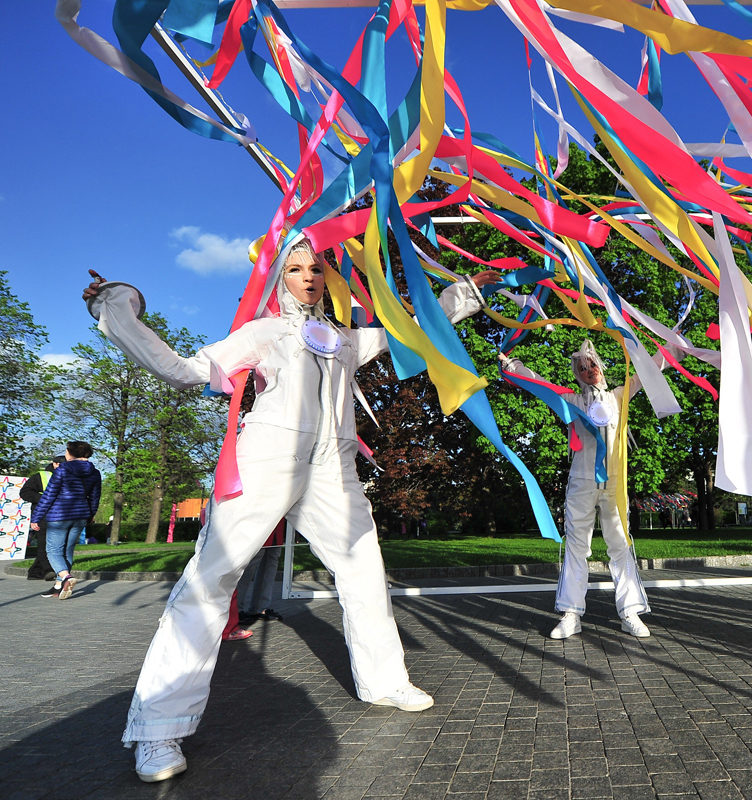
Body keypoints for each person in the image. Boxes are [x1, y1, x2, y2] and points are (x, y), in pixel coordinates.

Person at [83, 239, 498, 783]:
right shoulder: (263, 332)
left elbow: (411, 334)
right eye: (296, 269)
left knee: (366, 571)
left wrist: (464, 293)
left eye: (316, 268)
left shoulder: (347, 339)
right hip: (267, 459)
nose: (309, 277)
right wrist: (116, 305)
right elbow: (186, 370)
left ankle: (385, 680)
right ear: (280, 278)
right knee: (210, 580)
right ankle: (158, 730)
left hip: (334, 467)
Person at [501, 339, 653, 640]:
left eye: (592, 364)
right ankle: (571, 614)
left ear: (601, 366)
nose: (588, 370)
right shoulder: (570, 401)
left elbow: (650, 369)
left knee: (620, 545)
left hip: (614, 484)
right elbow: (540, 384)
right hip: (581, 482)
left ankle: (630, 612)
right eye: (582, 368)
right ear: (577, 374)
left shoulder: (619, 396)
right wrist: (512, 366)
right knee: (576, 547)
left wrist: (676, 347)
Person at [30, 442, 101, 600]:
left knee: (53, 551)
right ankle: (58, 586)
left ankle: (66, 578)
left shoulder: (63, 469)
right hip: (80, 516)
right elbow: (95, 497)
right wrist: (90, 515)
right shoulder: (95, 473)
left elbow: (49, 495)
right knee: (67, 551)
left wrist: (36, 517)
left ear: (70, 453)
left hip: (59, 515)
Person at [19, 456, 63, 581]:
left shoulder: (68, 476)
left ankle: (35, 572)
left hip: (59, 513)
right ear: (54, 464)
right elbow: (25, 493)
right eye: (61, 464)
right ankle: (48, 570)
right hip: (42, 514)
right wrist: (43, 499)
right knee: (44, 542)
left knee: (53, 543)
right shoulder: (41, 476)